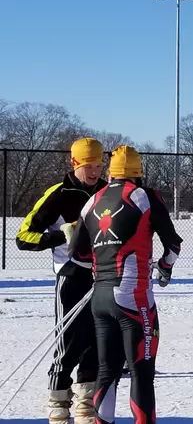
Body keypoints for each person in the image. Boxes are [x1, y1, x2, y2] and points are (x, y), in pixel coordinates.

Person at [65, 145, 183, 424]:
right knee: (141, 372)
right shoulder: (144, 196)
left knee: (107, 370)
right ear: (138, 172)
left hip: (100, 296)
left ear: (111, 172)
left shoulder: (92, 201)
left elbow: (77, 253)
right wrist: (164, 269)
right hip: (132, 296)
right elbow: (174, 245)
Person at [16, 138, 107, 424]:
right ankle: (58, 399)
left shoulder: (107, 192)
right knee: (69, 340)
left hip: (102, 277)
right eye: (88, 165)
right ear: (74, 163)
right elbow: (23, 238)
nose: (94, 172)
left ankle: (86, 402)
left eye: (98, 165)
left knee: (96, 341)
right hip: (70, 275)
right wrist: (60, 235)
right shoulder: (59, 194)